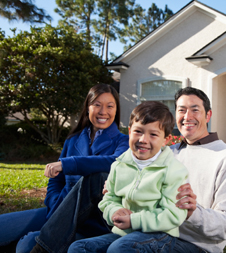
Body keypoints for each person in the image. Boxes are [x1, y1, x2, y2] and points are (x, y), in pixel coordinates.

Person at [0, 83, 129, 253]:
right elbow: (56, 180)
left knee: (28, 243)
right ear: (87, 107)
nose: (103, 111)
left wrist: (68, 164)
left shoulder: (124, 142)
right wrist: (54, 201)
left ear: (116, 110)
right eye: (97, 104)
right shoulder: (73, 140)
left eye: (109, 106)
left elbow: (112, 162)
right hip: (58, 209)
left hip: (92, 221)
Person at [68, 101, 188, 253]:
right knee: (79, 248)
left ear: (165, 139)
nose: (143, 139)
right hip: (123, 233)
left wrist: (134, 220)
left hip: (159, 235)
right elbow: (109, 198)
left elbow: (173, 214)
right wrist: (114, 212)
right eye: (138, 131)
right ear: (130, 131)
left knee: (119, 249)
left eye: (153, 134)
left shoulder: (173, 170)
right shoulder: (120, 164)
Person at [170, 87, 226, 252]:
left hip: (198, 246)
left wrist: (193, 213)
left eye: (195, 110)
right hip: (157, 232)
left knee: (122, 247)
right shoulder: (170, 153)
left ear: (208, 115)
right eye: (181, 110)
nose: (187, 117)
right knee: (99, 245)